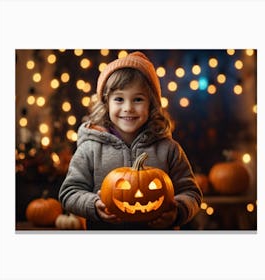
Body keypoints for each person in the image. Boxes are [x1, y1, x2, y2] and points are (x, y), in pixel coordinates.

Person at [59, 51, 203, 230]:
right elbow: (69, 193)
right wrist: (94, 204)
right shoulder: (90, 148)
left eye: (138, 99)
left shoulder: (168, 149)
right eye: (119, 99)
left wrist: (178, 211)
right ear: (106, 102)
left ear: (151, 104)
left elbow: (191, 192)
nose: (128, 108)